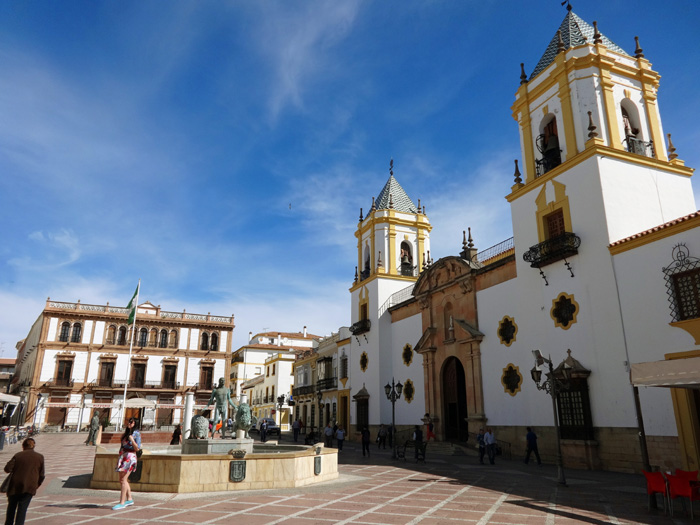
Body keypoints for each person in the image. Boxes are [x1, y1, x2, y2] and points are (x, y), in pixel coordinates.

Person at [4, 437, 45, 525]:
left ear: (23, 446)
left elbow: (7, 469)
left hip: (15, 486)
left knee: (11, 509)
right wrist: (37, 485)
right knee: (22, 510)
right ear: (33, 446)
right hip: (29, 487)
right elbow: (42, 475)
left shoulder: (18, 455)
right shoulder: (40, 457)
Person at [113, 418, 141, 511]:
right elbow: (122, 445)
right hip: (123, 456)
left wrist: (132, 440)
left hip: (130, 457)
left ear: (135, 423)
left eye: (131, 422)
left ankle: (122, 502)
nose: (129, 423)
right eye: (129, 421)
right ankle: (129, 499)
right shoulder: (126, 433)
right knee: (121, 480)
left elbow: (138, 448)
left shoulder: (136, 434)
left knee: (124, 479)